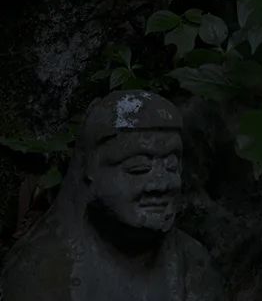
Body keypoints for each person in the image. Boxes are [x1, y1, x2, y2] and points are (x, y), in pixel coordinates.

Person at [0, 91, 223, 301]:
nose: (161, 184)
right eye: (138, 168)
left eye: (171, 166)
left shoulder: (192, 264)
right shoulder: (41, 270)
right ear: (91, 170)